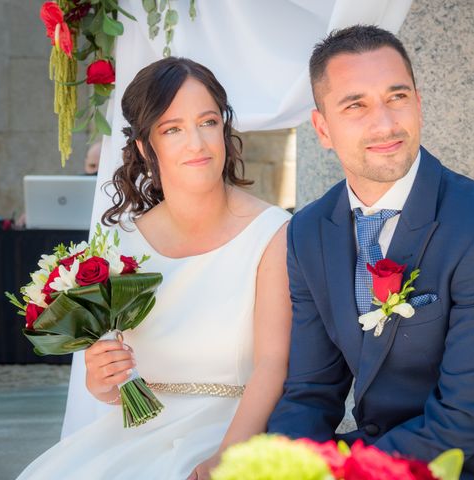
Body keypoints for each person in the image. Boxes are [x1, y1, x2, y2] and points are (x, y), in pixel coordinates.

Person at [267, 25, 474, 479]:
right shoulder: (308, 232)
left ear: (418, 104)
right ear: (323, 128)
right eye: (355, 104)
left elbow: (461, 424)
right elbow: (311, 389)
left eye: (397, 97)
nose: (384, 123)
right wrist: (280, 467)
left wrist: (337, 472)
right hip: (373, 457)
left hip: (472, 465)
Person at [17, 57, 291, 480]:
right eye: (173, 129)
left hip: (234, 431)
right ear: (146, 147)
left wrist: (228, 457)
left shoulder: (272, 232)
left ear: (224, 127)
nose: (197, 143)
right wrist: (101, 379)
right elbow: (112, 386)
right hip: (134, 434)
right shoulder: (121, 242)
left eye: (208, 122)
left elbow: (274, 363)